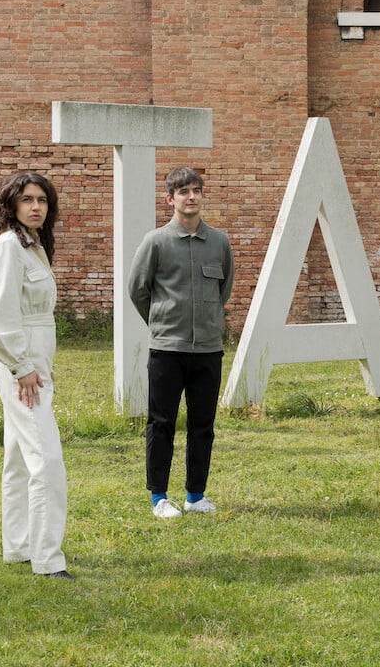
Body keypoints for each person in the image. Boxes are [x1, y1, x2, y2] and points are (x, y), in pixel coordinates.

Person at [129, 168, 234, 518]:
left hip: (207, 349)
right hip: (167, 350)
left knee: (203, 425)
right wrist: (162, 322)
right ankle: (159, 497)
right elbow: (138, 290)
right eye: (183, 191)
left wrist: (207, 322)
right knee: (162, 423)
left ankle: (195, 495)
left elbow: (224, 290)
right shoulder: (155, 242)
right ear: (169, 198)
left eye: (196, 190)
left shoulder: (219, 243)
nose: (191, 197)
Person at [0, 172, 73, 581]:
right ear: (12, 205)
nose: (36, 207)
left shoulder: (33, 247)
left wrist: (39, 363)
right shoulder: (9, 246)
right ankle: (48, 559)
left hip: (34, 365)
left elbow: (37, 319)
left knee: (20, 459)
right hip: (21, 370)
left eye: (42, 200)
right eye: (27, 200)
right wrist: (22, 368)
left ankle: (18, 546)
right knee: (47, 460)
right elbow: (0, 321)